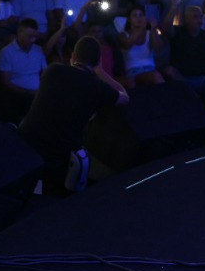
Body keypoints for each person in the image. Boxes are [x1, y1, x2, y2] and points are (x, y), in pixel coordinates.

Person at [18, 36, 127, 196]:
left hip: (26, 141)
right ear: (97, 61)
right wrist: (101, 71)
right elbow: (125, 97)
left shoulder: (52, 70)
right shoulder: (97, 88)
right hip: (58, 154)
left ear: (73, 57)